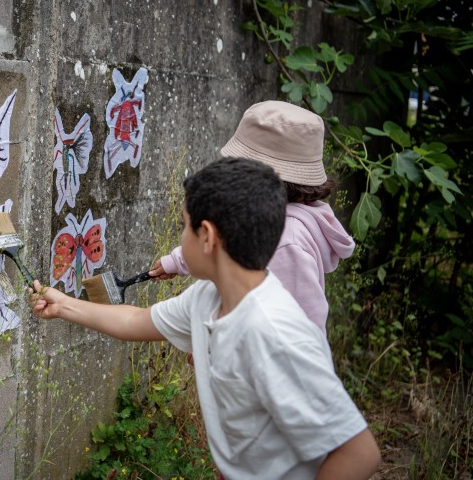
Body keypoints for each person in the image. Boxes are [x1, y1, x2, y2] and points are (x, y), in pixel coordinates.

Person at [31, 158, 380, 479]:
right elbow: (135, 321)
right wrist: (63, 305)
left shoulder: (273, 332)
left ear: (208, 237)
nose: (180, 239)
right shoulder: (208, 298)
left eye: (184, 227)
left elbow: (359, 452)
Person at [150, 101, 354, 331]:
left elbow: (302, 326)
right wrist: (177, 261)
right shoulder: (264, 213)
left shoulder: (289, 241)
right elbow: (227, 239)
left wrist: (217, 344)